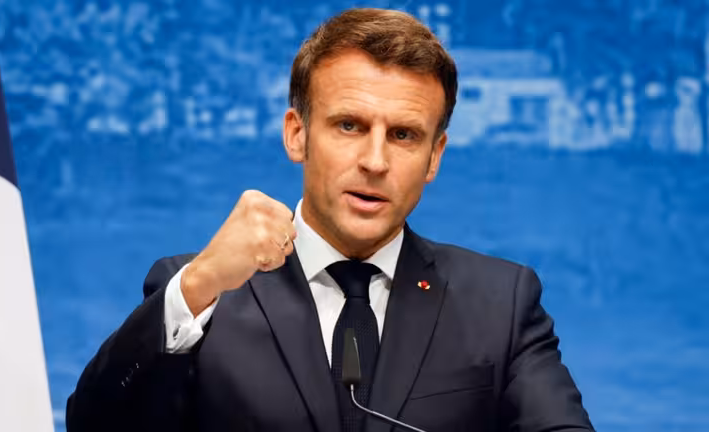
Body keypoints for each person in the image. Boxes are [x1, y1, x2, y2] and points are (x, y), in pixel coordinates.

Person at [66, 8, 593, 432]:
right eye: (349, 126)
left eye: (404, 135)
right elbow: (95, 424)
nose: (375, 161)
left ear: (434, 157)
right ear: (297, 135)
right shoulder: (200, 295)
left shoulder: (501, 303)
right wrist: (199, 285)